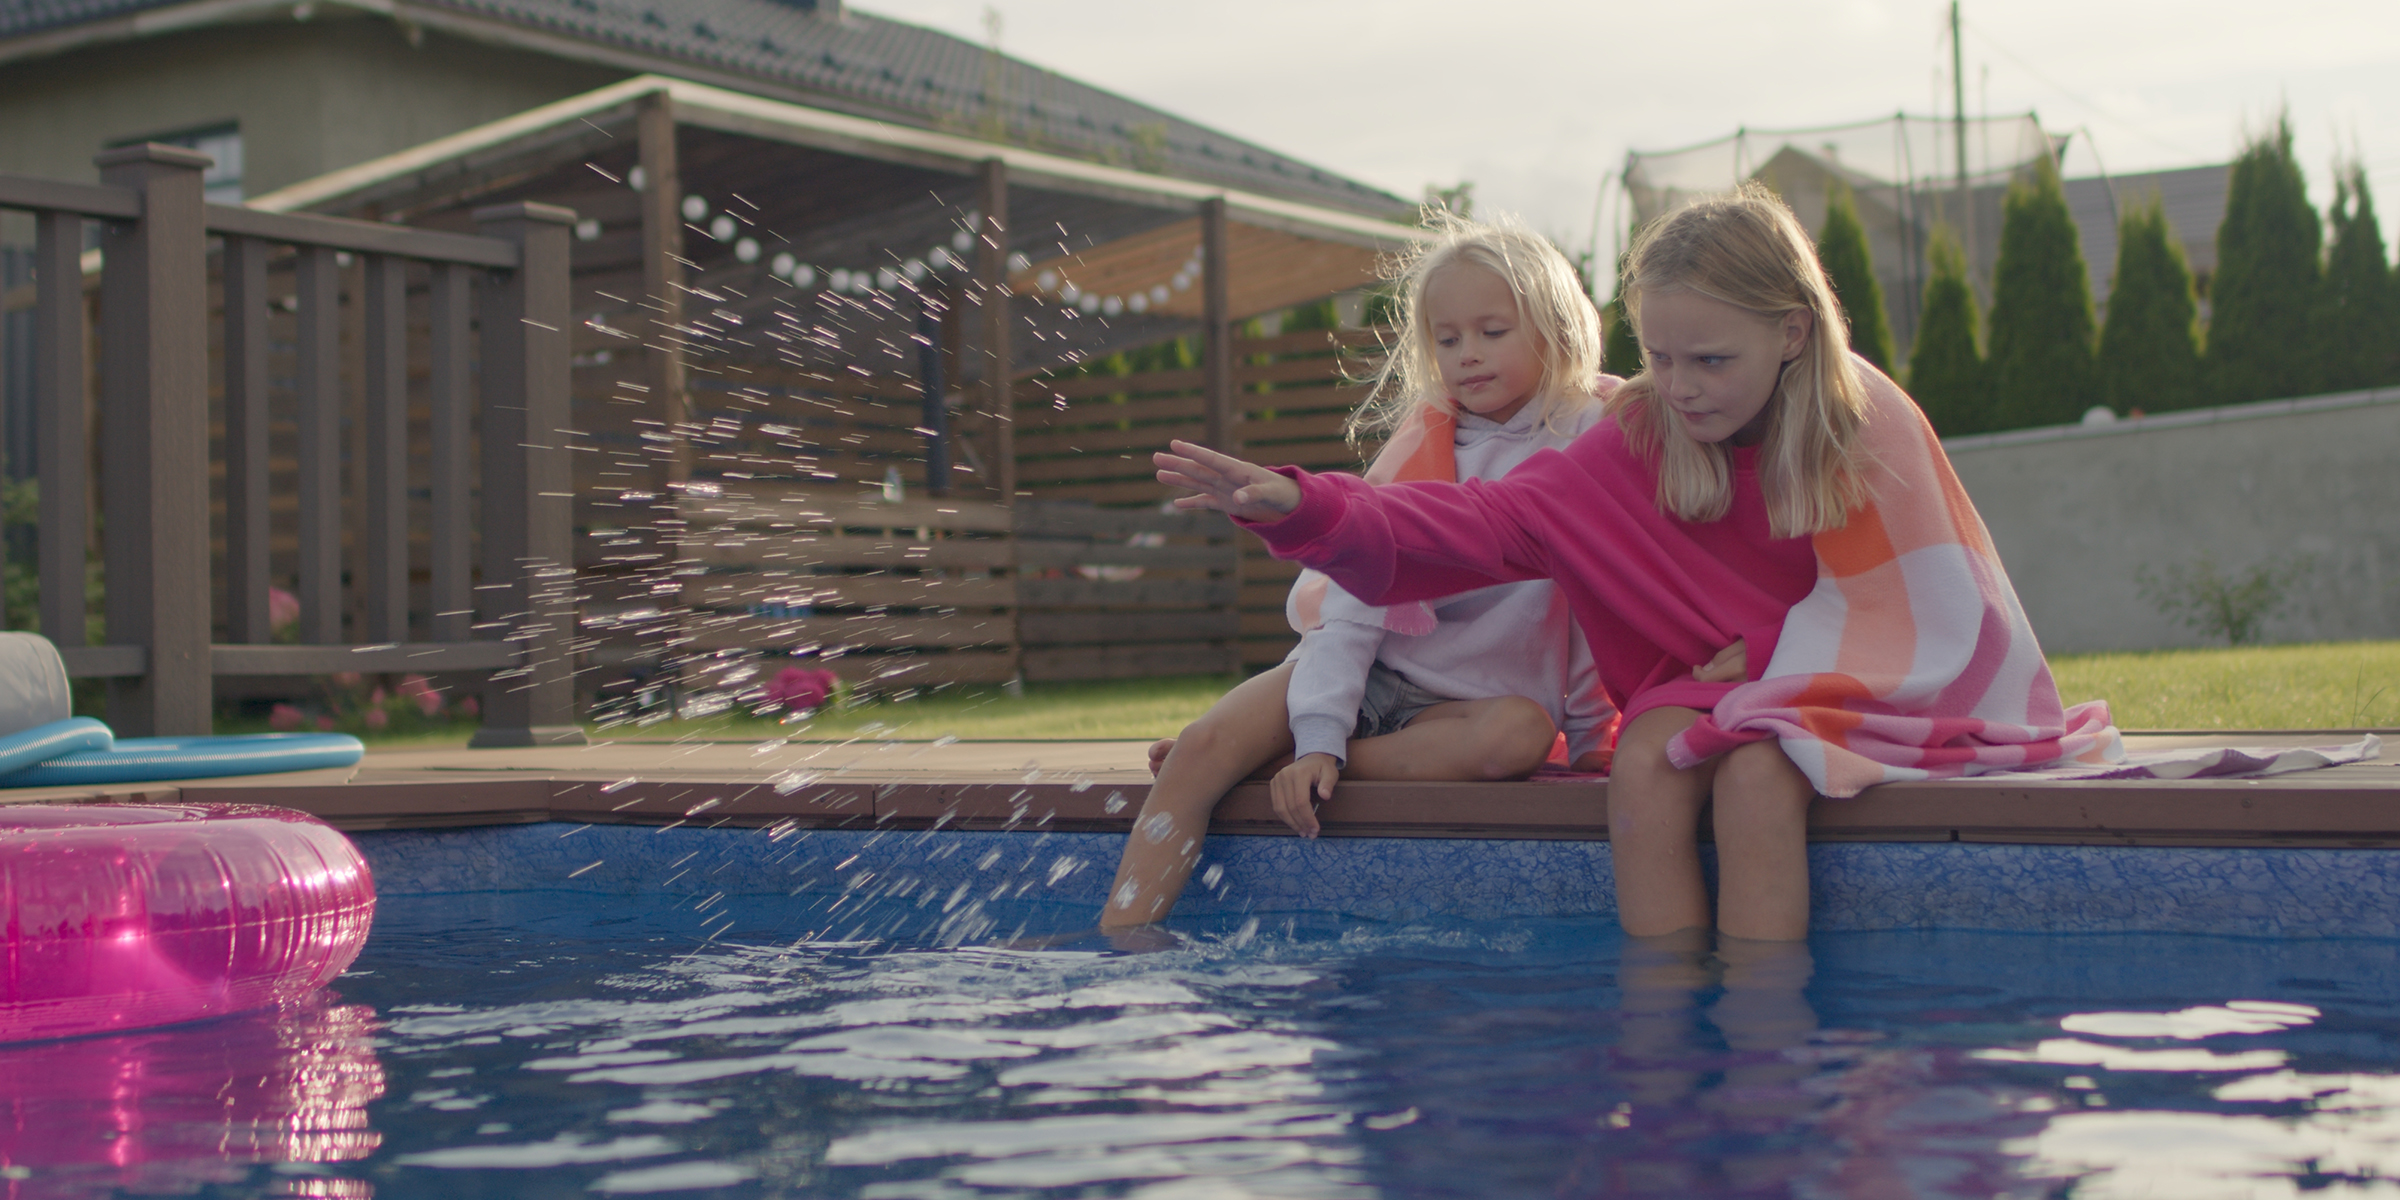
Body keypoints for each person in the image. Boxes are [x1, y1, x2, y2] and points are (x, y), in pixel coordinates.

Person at [1154, 182, 2117, 944]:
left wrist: (1790, 658)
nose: (1682, 389)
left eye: (1710, 361)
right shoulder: (1640, 434)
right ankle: (1662, 1020)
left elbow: (1929, 599)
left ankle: (1762, 1026)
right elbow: (1484, 526)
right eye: (1659, 359)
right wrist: (1305, 505)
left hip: (1863, 680)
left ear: (1791, 332)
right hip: (1711, 684)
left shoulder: (1865, 422)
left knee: (1758, 776)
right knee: (1651, 760)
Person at [1098, 214, 1638, 931]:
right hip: (1367, 667)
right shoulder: (1423, 447)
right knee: (1198, 749)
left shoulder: (1595, 441)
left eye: (1492, 331)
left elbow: (1589, 605)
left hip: (1469, 707)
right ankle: (1125, 933)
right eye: (1447, 340)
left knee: (1521, 736)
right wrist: (1318, 730)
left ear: (1557, 329)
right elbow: (1354, 606)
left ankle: (1286, 761)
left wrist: (1593, 730)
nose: (1466, 355)